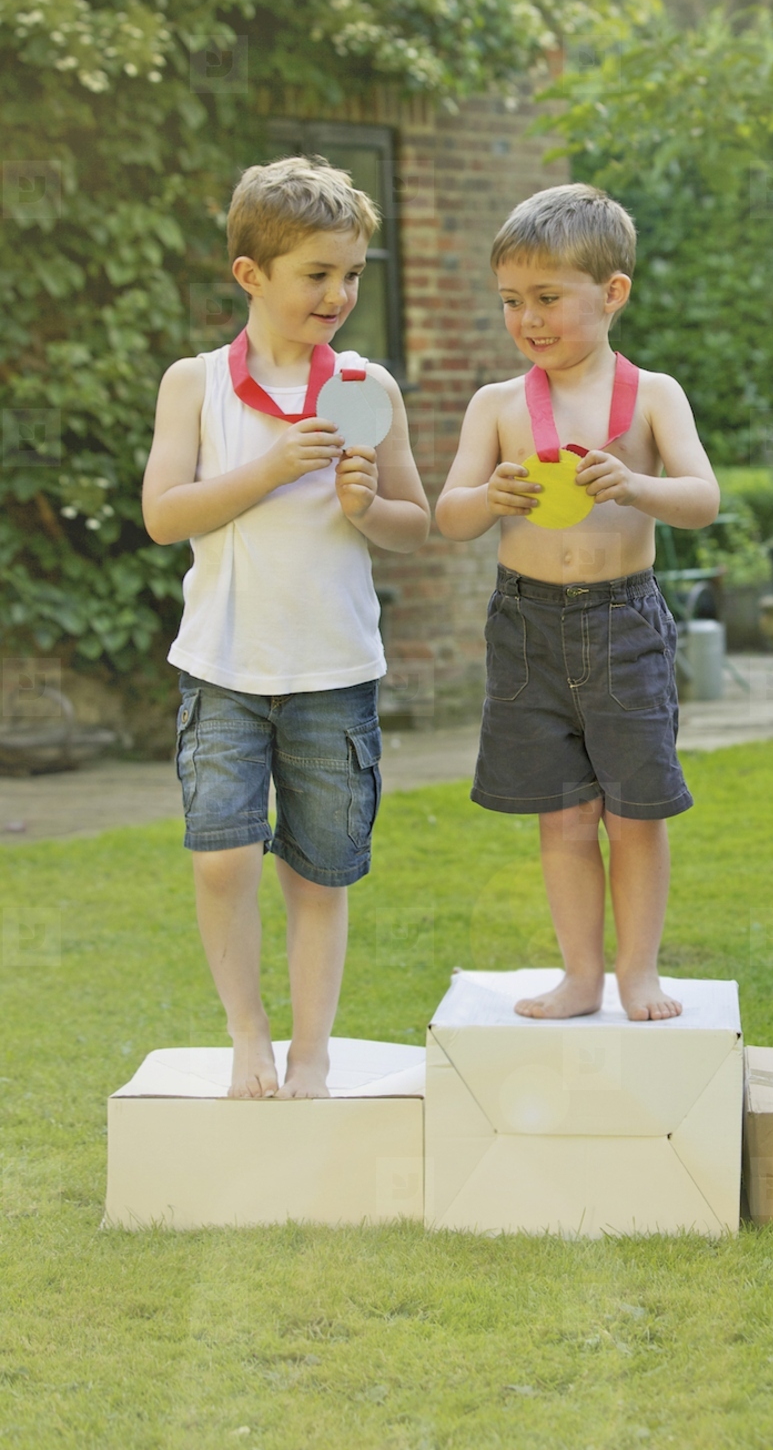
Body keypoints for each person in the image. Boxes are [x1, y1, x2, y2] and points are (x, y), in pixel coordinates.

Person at [142, 157, 429, 1099]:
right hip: (223, 665)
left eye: (352, 274)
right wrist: (267, 470)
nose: (340, 294)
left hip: (333, 667)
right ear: (250, 274)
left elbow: (412, 523)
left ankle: (312, 1048)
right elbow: (165, 515)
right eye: (318, 274)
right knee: (223, 856)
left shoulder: (360, 383)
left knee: (319, 872)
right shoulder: (195, 384)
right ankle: (247, 1031)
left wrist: (366, 503)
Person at [436, 184, 719, 1021]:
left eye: (548, 298)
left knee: (633, 810)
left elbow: (702, 496)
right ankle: (582, 976)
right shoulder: (496, 405)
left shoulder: (654, 394)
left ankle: (639, 972)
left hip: (623, 622)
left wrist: (635, 483)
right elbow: (450, 516)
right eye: (513, 301)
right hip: (527, 627)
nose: (528, 318)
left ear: (613, 292)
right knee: (562, 815)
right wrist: (491, 494)